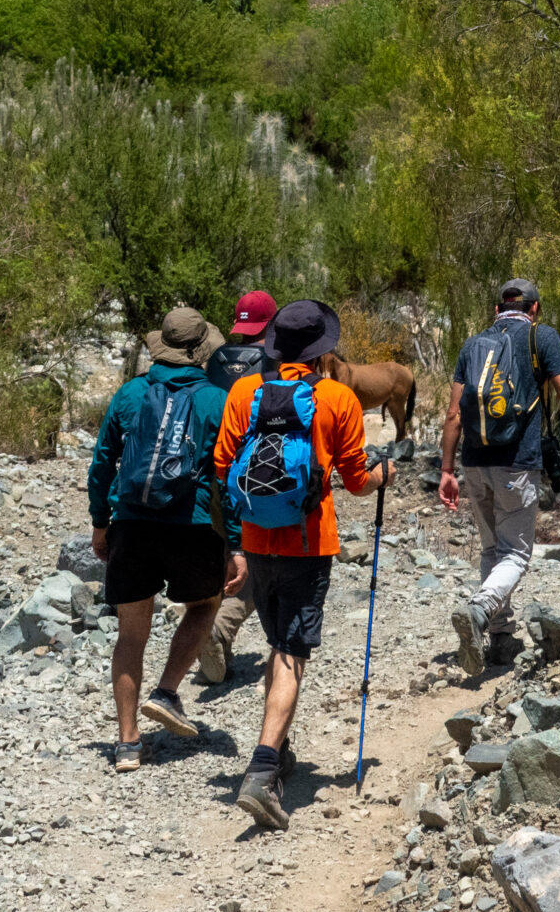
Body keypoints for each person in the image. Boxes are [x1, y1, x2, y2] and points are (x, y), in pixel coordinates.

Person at [211, 299, 392, 830]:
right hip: (309, 545)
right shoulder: (337, 397)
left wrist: (235, 544)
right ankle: (264, 771)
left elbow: (223, 467)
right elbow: (359, 482)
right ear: (321, 350)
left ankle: (279, 747)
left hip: (257, 541)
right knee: (291, 653)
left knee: (276, 645)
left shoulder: (244, 392)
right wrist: (385, 476)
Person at [88, 305, 243, 773]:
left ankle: (128, 744)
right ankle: (168, 691)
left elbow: (101, 463)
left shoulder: (130, 393)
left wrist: (101, 522)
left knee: (130, 634)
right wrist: (236, 544)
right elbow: (227, 478)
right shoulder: (218, 400)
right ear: (201, 350)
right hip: (192, 526)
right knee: (205, 606)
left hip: (132, 525)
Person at [438, 278, 560, 677]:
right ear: (534, 309)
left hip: (475, 463)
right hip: (517, 463)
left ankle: (500, 638)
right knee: (515, 554)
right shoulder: (541, 336)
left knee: (490, 549)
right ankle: (480, 611)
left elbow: (452, 415)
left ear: (497, 310)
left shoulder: (471, 345)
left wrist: (446, 470)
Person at [195, 288, 276, 684]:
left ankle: (215, 641)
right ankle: (220, 630)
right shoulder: (274, 363)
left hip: (213, 476)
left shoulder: (216, 362)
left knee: (228, 556)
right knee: (257, 562)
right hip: (257, 477)